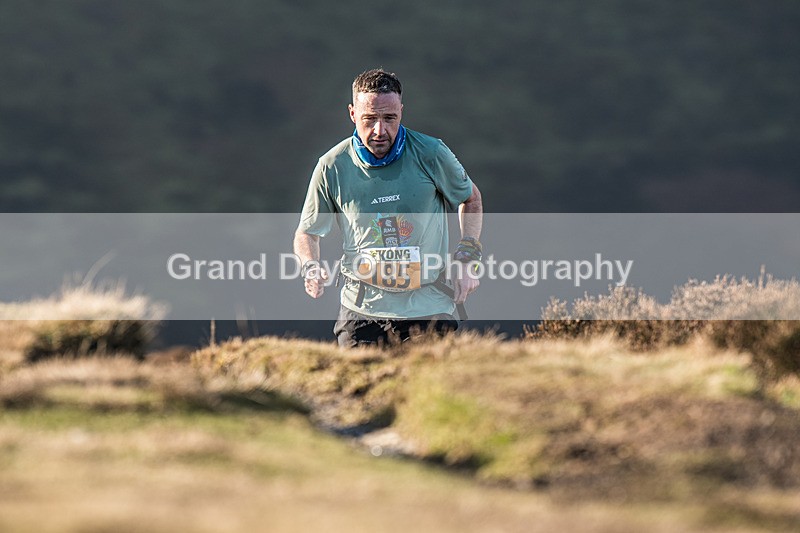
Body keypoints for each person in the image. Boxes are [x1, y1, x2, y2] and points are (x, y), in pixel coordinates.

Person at [294, 68, 483, 347]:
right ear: (352, 114)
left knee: (428, 390)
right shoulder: (332, 166)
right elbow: (306, 233)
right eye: (370, 119)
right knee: (359, 390)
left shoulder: (431, 153)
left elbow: (471, 199)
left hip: (428, 307)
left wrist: (467, 258)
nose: (380, 131)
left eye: (389, 118)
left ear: (401, 113)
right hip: (361, 311)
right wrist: (310, 266)